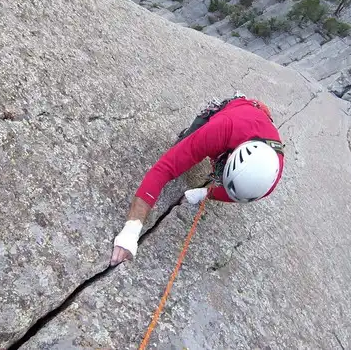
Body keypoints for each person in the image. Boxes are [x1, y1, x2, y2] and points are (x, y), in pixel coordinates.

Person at [111, 95, 285, 265]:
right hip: (238, 111)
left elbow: (232, 194)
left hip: (255, 120)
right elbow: (164, 169)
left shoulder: (268, 181)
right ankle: (189, 137)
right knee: (183, 147)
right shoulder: (221, 129)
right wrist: (131, 229)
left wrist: (205, 193)